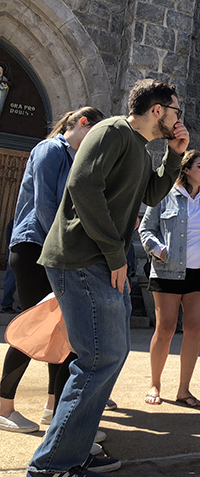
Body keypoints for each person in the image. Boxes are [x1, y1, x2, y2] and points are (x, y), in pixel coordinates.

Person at [27, 78, 189, 477]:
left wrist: (174, 155)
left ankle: (74, 449)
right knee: (99, 359)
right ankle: (51, 465)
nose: (178, 118)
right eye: (176, 111)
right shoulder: (112, 130)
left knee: (110, 357)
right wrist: (117, 255)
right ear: (157, 110)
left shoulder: (138, 146)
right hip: (82, 259)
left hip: (100, 262)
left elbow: (151, 194)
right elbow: (83, 186)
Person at [1, 107, 105, 435]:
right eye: (95, 135)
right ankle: (3, 407)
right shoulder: (50, 149)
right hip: (36, 248)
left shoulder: (72, 156)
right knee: (33, 329)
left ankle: (53, 409)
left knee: (61, 334)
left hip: (51, 250)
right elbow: (46, 205)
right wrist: (62, 251)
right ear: (83, 123)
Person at [139, 150, 200, 407]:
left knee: (194, 330)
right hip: (167, 271)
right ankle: (155, 383)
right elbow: (146, 229)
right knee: (165, 329)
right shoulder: (163, 196)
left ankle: (184, 390)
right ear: (185, 170)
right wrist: (159, 250)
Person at [2, 221, 17, 313]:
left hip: (28, 254)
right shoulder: (13, 222)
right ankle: (6, 305)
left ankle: (21, 306)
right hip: (14, 252)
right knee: (10, 281)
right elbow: (9, 239)